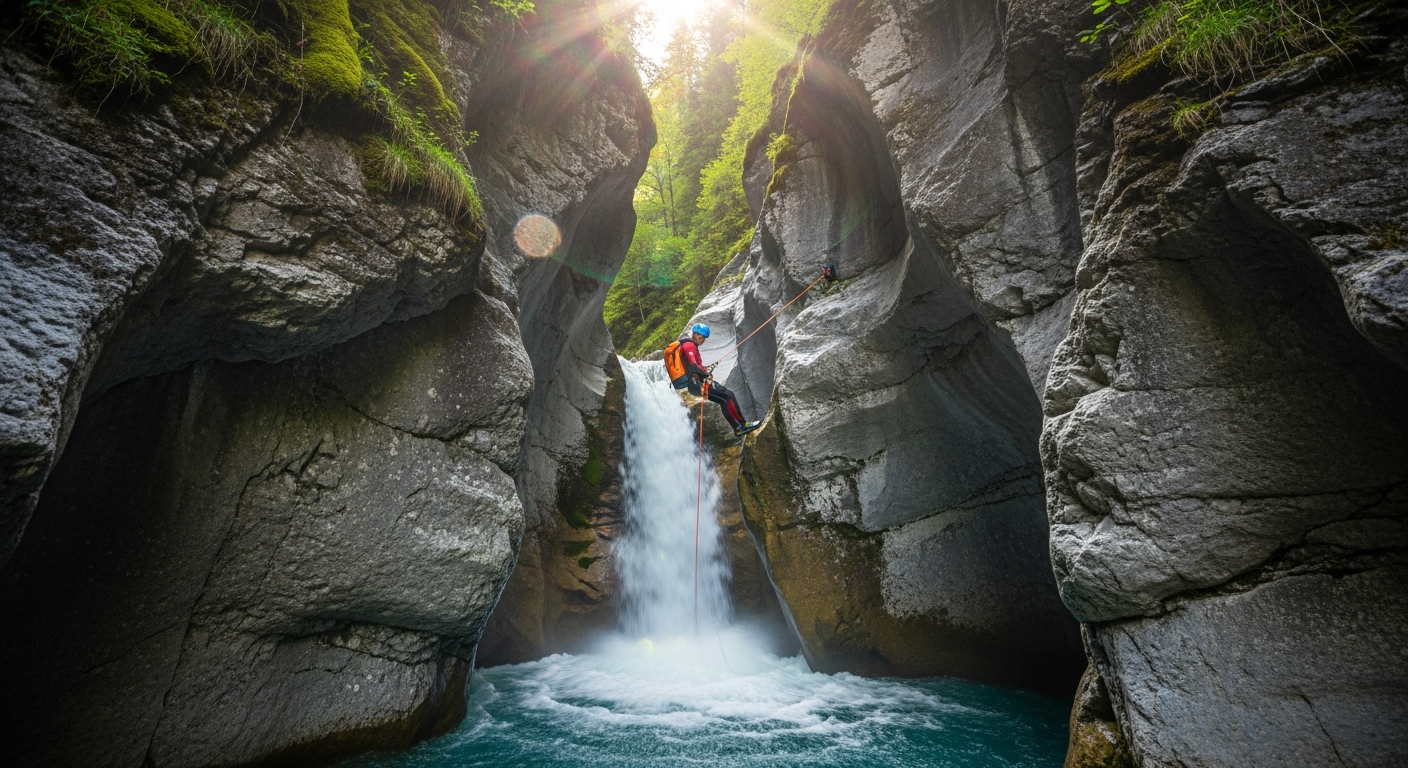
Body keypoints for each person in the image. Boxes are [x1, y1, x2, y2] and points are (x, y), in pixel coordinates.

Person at [663, 324, 761, 436]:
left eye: (702, 338)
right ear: (693, 334)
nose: (699, 339)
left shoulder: (687, 345)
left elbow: (693, 366)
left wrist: (705, 369)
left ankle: (737, 428)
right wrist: (705, 374)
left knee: (723, 400)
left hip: (692, 384)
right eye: (698, 336)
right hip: (695, 383)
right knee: (729, 394)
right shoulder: (689, 346)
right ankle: (743, 425)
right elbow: (693, 366)